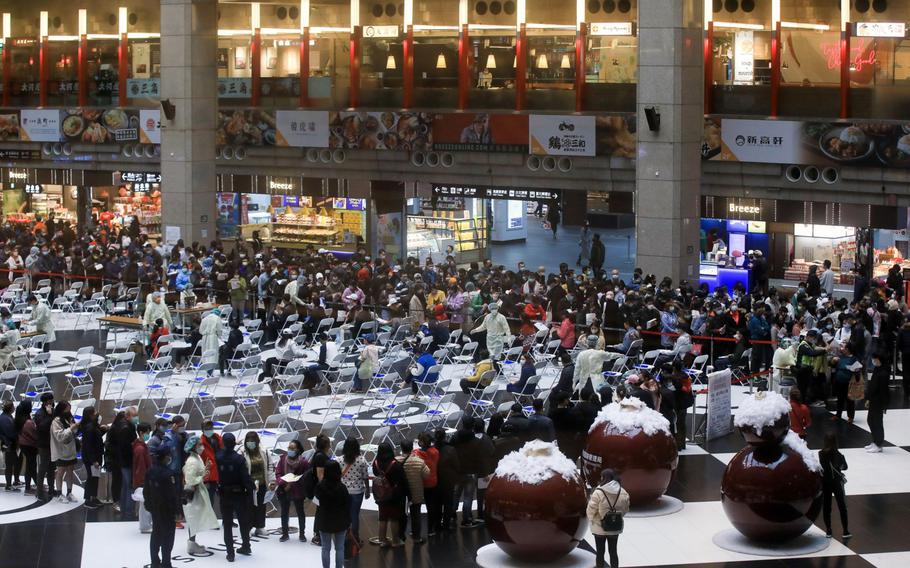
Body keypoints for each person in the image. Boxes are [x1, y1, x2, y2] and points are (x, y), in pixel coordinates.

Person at [217, 433, 255, 562]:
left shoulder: (218, 457)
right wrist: (250, 490)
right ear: (234, 443)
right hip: (239, 494)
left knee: (227, 525)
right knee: (243, 522)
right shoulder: (239, 459)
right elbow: (245, 478)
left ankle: (230, 553)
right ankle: (246, 545)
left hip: (224, 494)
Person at [144, 444, 180, 568]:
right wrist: (177, 510)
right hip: (167, 510)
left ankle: (154, 561)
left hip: (155, 508)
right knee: (168, 537)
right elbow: (172, 494)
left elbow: (146, 491)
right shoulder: (168, 474)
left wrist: (148, 505)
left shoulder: (150, 471)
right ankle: (166, 563)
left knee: (156, 534)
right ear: (165, 457)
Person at [182, 435, 219, 555]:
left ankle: (193, 542)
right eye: (199, 445)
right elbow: (190, 479)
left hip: (199, 490)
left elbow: (198, 472)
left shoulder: (196, 457)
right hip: (194, 492)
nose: (201, 447)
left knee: (196, 517)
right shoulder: (192, 461)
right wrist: (202, 476)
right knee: (193, 518)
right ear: (193, 447)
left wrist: (205, 469)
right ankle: (191, 544)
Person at [586, 469, 630, 568]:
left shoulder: (598, 492)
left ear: (603, 478)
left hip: (599, 527)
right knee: (613, 551)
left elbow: (591, 509)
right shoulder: (623, 492)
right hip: (615, 527)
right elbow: (626, 509)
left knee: (600, 552)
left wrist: (592, 519)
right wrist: (615, 517)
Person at [315, 461, 351, 568]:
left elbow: (316, 502)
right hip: (340, 521)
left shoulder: (320, 486)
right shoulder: (342, 488)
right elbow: (347, 505)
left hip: (324, 520)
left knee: (325, 548)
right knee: (340, 548)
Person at [371, 441, 406, 548]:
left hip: (381, 494)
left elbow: (376, 475)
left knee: (382, 518)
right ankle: (395, 541)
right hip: (394, 495)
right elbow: (401, 480)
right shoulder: (395, 465)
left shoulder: (375, 463)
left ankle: (383, 541)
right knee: (394, 518)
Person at [241, 431, 275, 538]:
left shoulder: (264, 451)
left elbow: (270, 466)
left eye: (252, 441)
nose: (250, 443)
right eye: (248, 441)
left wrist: (272, 481)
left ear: (257, 442)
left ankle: (259, 527)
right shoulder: (241, 452)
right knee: (248, 507)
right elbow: (241, 469)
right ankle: (247, 528)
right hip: (249, 486)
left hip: (262, 484)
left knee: (261, 506)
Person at [275, 439, 309, 542]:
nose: (290, 450)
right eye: (289, 448)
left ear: (298, 449)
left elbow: (306, 477)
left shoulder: (303, 462)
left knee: (300, 512)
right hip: (284, 489)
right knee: (284, 512)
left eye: (292, 448)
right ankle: (285, 534)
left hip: (297, 490)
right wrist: (283, 482)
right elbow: (278, 473)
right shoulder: (283, 459)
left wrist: (294, 482)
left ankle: (302, 534)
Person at [819, 433, 850, 539]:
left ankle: (828, 530)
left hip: (826, 483)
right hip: (836, 483)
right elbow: (845, 467)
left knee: (827, 507)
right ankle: (845, 531)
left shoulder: (821, 454)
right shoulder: (839, 455)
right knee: (842, 506)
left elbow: (822, 467)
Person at [340, 437, 370, 546]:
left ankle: (344, 537)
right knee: (354, 515)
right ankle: (355, 538)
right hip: (357, 491)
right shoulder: (361, 460)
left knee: (345, 514)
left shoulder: (339, 460)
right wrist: (367, 490)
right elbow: (365, 477)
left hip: (344, 491)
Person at [399, 439, 430, 543]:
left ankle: (400, 537)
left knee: (400, 515)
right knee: (416, 515)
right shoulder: (419, 461)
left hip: (401, 493)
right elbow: (427, 474)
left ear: (401, 448)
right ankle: (416, 537)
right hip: (416, 492)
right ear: (412, 448)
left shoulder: (396, 461)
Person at [50, 401, 79, 503]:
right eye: (67, 409)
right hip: (60, 451)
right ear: (62, 409)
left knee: (70, 471)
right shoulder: (56, 421)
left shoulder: (69, 418)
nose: (69, 411)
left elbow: (75, 431)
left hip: (70, 450)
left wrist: (74, 426)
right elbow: (60, 436)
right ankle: (59, 493)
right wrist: (71, 428)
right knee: (60, 472)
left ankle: (69, 492)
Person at [78, 406, 105, 508]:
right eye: (95, 412)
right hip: (91, 458)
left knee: (95, 477)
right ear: (91, 415)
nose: (97, 413)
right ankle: (87, 499)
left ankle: (94, 497)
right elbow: (88, 446)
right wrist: (94, 461)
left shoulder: (92, 426)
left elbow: (95, 437)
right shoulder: (89, 428)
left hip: (96, 456)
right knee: (91, 478)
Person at [434, 429, 460, 532]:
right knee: (448, 503)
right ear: (445, 437)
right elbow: (457, 465)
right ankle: (446, 524)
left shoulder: (432, 450)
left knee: (437, 504)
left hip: (435, 480)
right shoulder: (450, 450)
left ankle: (437, 525)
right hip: (448, 481)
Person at [865, 351, 890, 453]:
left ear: (879, 359)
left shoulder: (884, 373)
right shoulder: (877, 369)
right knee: (870, 420)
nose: (873, 361)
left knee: (877, 422)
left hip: (879, 401)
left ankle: (879, 444)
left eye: (874, 359)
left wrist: (884, 405)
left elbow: (883, 390)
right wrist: (868, 398)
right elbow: (872, 386)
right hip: (873, 399)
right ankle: (875, 441)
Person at [831, 345, 860, 423]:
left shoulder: (854, 358)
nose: (842, 349)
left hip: (848, 383)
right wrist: (833, 361)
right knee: (840, 399)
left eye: (843, 348)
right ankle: (838, 414)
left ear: (848, 349)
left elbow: (857, 371)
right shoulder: (841, 357)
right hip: (839, 381)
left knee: (849, 400)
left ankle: (850, 416)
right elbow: (833, 365)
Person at [14, 400, 38, 494]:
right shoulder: (28, 422)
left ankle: (33, 485)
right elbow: (35, 435)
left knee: (30, 466)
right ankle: (29, 488)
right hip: (30, 446)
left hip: (24, 445)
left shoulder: (19, 419)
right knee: (31, 467)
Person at [0, 401, 18, 490]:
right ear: (10, 408)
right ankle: (8, 485)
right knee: (9, 465)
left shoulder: (7, 416)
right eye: (13, 407)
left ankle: (11, 483)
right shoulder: (4, 418)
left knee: (12, 464)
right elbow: (10, 433)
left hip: (9, 444)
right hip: (8, 445)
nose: (14, 408)